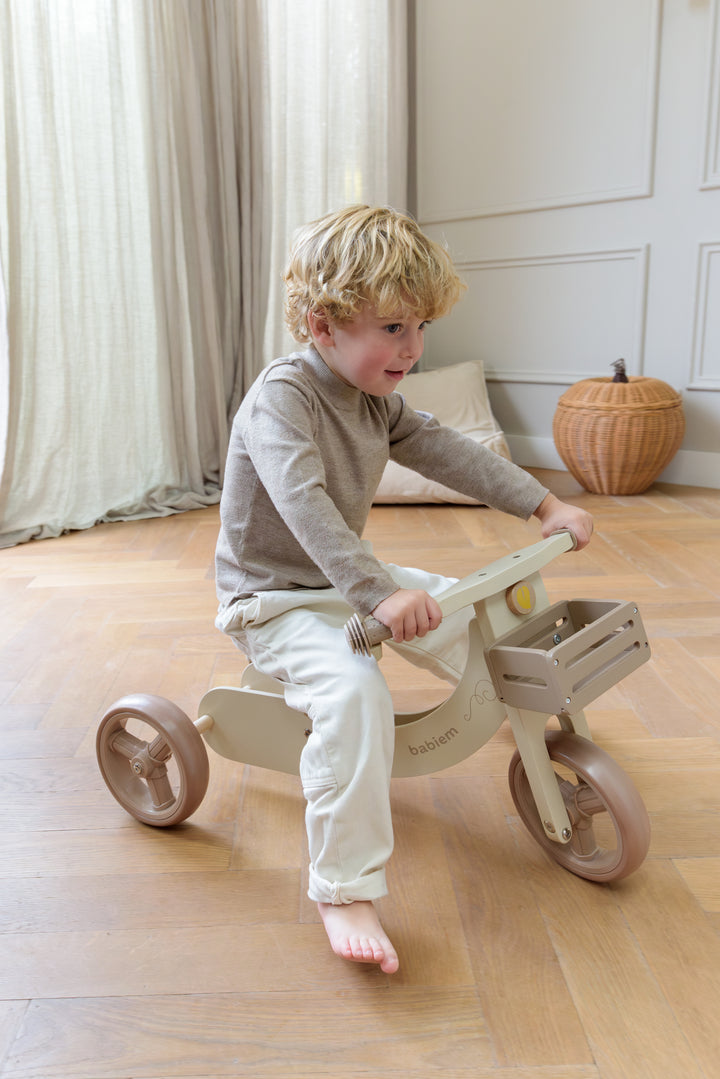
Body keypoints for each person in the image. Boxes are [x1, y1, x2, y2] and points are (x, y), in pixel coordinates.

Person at [215, 205, 593, 974]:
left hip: (345, 583)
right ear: (323, 326)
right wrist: (376, 593)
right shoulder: (282, 401)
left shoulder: (376, 401)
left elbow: (448, 450)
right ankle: (344, 886)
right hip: (275, 601)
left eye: (420, 327)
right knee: (358, 695)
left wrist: (541, 502)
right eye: (393, 328)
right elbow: (304, 504)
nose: (413, 350)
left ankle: (534, 710)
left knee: (466, 611)